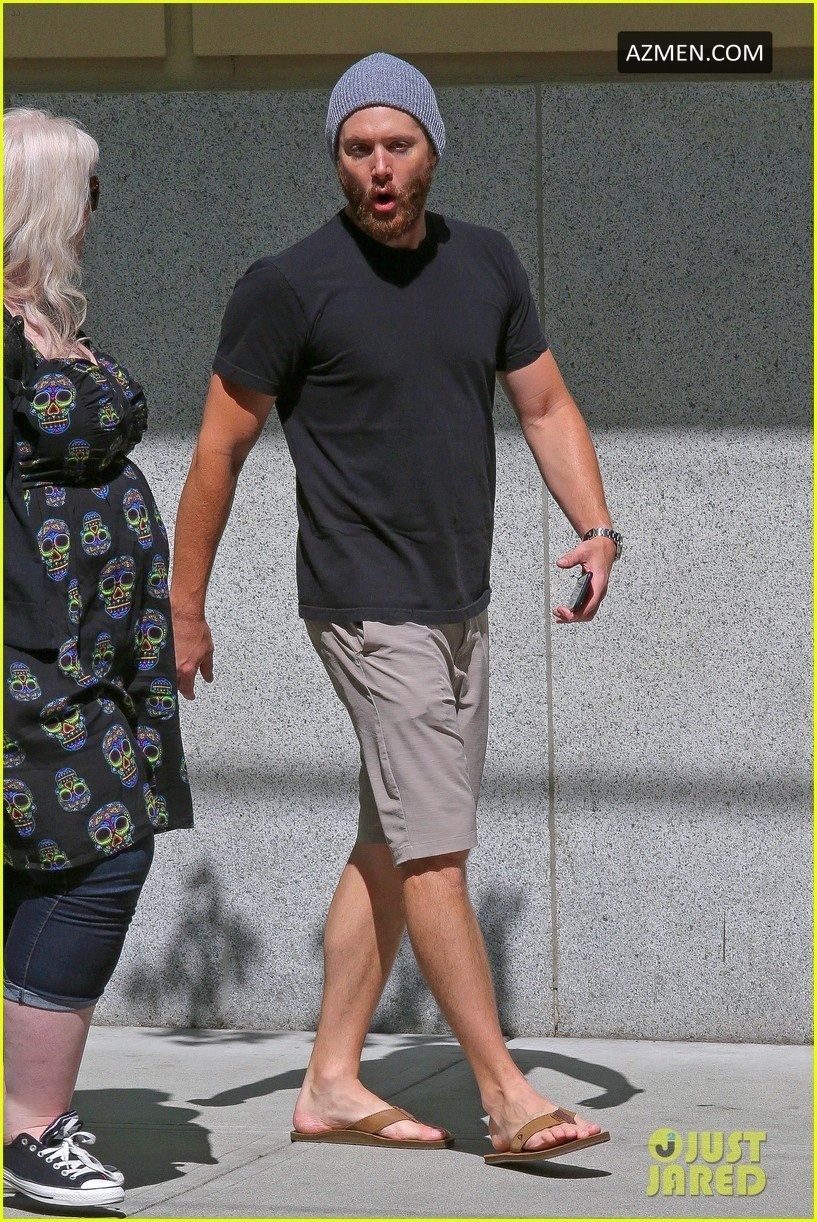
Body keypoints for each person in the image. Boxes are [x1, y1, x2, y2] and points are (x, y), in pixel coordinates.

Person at [171, 53, 620, 1164]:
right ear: (336, 158)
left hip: (457, 597)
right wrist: (186, 606)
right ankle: (506, 1097)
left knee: (390, 839)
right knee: (435, 855)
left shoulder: (487, 263)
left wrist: (597, 524)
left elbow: (545, 403)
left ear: (432, 149)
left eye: (397, 145)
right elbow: (218, 451)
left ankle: (329, 1081)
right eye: (357, 148)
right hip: (365, 605)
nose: (377, 167)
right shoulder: (288, 285)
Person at [3, 109, 194, 1208]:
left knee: (44, 863)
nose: (95, 212)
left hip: (93, 648)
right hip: (28, 655)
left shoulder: (43, 320)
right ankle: (33, 1130)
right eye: (87, 190)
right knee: (96, 853)